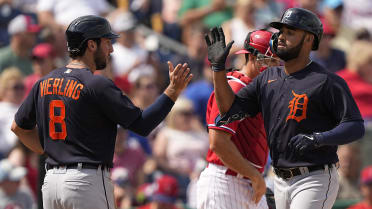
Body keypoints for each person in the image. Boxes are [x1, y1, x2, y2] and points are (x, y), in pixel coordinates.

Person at [10, 15, 192, 209]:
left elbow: (18, 127)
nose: (111, 49)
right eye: (106, 42)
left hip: (52, 182)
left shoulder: (43, 82)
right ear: (91, 45)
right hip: (85, 182)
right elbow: (142, 125)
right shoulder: (96, 84)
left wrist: (49, 152)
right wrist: (172, 92)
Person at [205, 7, 365, 209]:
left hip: (314, 177)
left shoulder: (326, 81)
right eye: (281, 31)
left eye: (290, 32)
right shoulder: (267, 78)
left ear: (308, 39)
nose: (281, 37)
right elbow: (230, 110)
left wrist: (319, 138)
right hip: (279, 178)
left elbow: (355, 125)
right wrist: (218, 70)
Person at [197, 29, 280, 209]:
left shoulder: (258, 90)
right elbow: (218, 143)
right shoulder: (235, 87)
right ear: (251, 57)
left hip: (246, 180)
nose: (274, 66)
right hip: (226, 182)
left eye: (276, 61)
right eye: (269, 60)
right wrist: (255, 176)